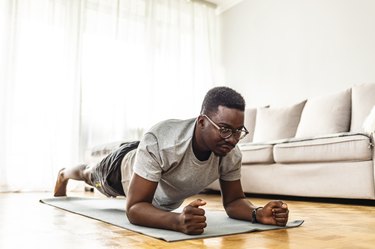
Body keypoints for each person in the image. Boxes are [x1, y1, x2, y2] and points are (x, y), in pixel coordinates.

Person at [54, 86, 289, 235]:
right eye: (225, 129)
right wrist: (177, 222)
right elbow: (135, 208)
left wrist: (258, 214)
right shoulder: (162, 141)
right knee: (89, 173)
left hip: (150, 152)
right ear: (202, 122)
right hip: (122, 168)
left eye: (239, 131)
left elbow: (234, 200)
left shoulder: (230, 153)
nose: (233, 139)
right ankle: (64, 173)